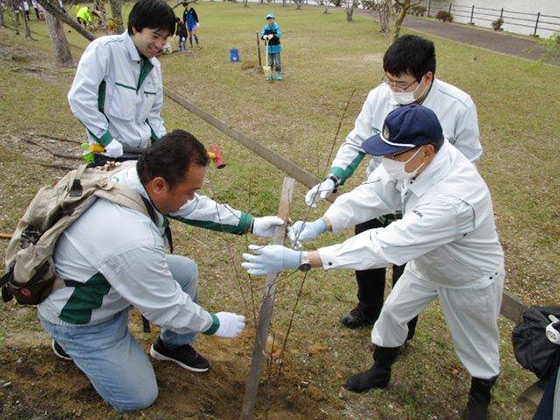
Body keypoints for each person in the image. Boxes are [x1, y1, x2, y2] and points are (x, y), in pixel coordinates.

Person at [243, 105, 504, 420]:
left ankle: (480, 395)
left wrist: (304, 259)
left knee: (477, 340)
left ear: (427, 152)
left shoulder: (454, 197)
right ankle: (381, 370)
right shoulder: (410, 161)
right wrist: (323, 223)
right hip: (426, 263)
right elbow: (374, 194)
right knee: (393, 314)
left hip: (468, 274)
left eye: (391, 156)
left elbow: (384, 244)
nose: (384, 162)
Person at [39, 130, 285, 411]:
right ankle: (72, 344)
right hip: (83, 316)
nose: (193, 198)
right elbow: (165, 305)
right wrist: (214, 324)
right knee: (138, 396)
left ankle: (171, 346)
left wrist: (249, 223)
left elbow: (194, 207)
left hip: (104, 279)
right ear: (159, 185)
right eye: (189, 192)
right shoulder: (131, 238)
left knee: (185, 271)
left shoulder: (136, 175)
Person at [304, 34, 482, 334]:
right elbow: (358, 140)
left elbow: (467, 161)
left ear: (427, 77)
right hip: (380, 190)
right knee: (367, 257)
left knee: (408, 270)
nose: (394, 90)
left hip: (421, 205)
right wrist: (334, 177)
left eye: (402, 84)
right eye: (389, 81)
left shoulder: (459, 106)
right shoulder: (379, 96)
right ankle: (368, 307)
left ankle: (402, 326)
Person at [67, 0, 175, 166]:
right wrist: (107, 140)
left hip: (142, 155)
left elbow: (152, 116)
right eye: (155, 36)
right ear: (134, 28)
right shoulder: (104, 50)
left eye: (164, 39)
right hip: (109, 154)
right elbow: (80, 98)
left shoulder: (154, 67)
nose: (159, 45)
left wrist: (166, 146)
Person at [260, 14, 282, 81]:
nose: (269, 20)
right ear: (267, 20)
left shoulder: (276, 27)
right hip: (268, 48)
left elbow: (279, 34)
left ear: (274, 19)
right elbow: (262, 35)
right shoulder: (265, 27)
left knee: (278, 62)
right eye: (268, 19)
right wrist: (264, 36)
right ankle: (269, 75)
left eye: (271, 18)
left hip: (276, 47)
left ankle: (279, 75)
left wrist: (272, 36)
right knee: (270, 62)